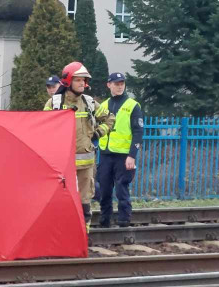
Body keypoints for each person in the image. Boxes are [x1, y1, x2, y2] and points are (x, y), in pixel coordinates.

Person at [44, 62, 115, 230]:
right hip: (62, 165)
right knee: (61, 201)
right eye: (78, 80)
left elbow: (110, 119)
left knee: (84, 202)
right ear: (68, 81)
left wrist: (98, 134)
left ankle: (83, 235)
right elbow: (43, 127)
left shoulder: (89, 103)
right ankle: (62, 235)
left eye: (84, 80)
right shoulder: (54, 104)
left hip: (85, 164)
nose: (82, 83)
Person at [96, 72, 144, 228]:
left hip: (124, 156)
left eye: (122, 83)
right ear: (109, 85)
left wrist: (132, 155)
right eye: (116, 83)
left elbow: (138, 132)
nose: (120, 86)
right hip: (105, 154)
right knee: (104, 189)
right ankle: (105, 220)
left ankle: (124, 220)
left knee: (122, 189)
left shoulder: (132, 105)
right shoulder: (103, 106)